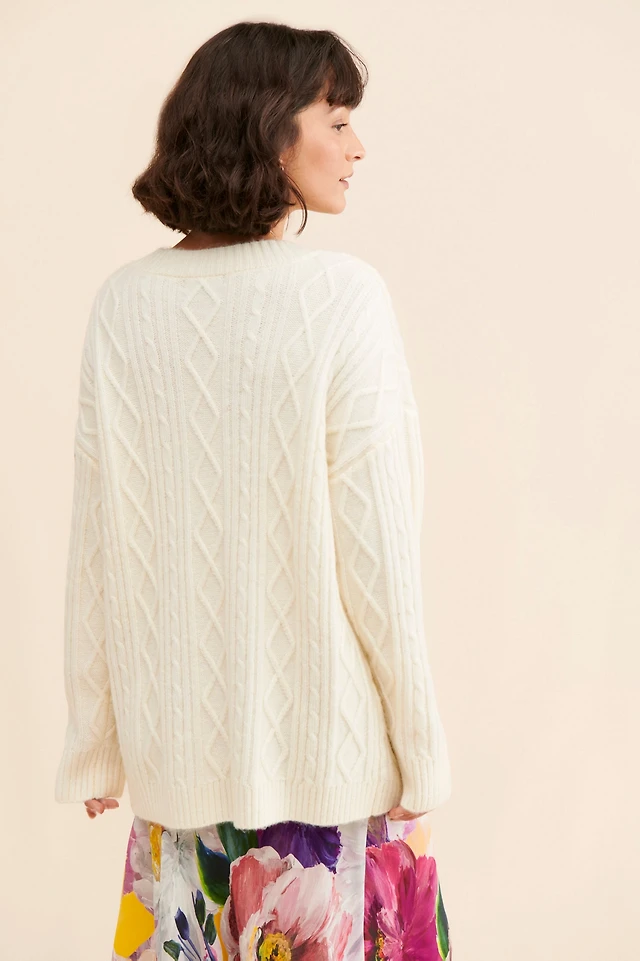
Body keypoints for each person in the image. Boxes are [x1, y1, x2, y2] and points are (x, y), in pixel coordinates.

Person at [54, 20, 453, 961]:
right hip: (334, 802)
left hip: (177, 799)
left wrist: (95, 737)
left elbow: (99, 537)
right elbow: (379, 552)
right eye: (337, 121)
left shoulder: (123, 304)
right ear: (274, 131)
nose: (357, 147)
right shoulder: (344, 298)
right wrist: (421, 746)